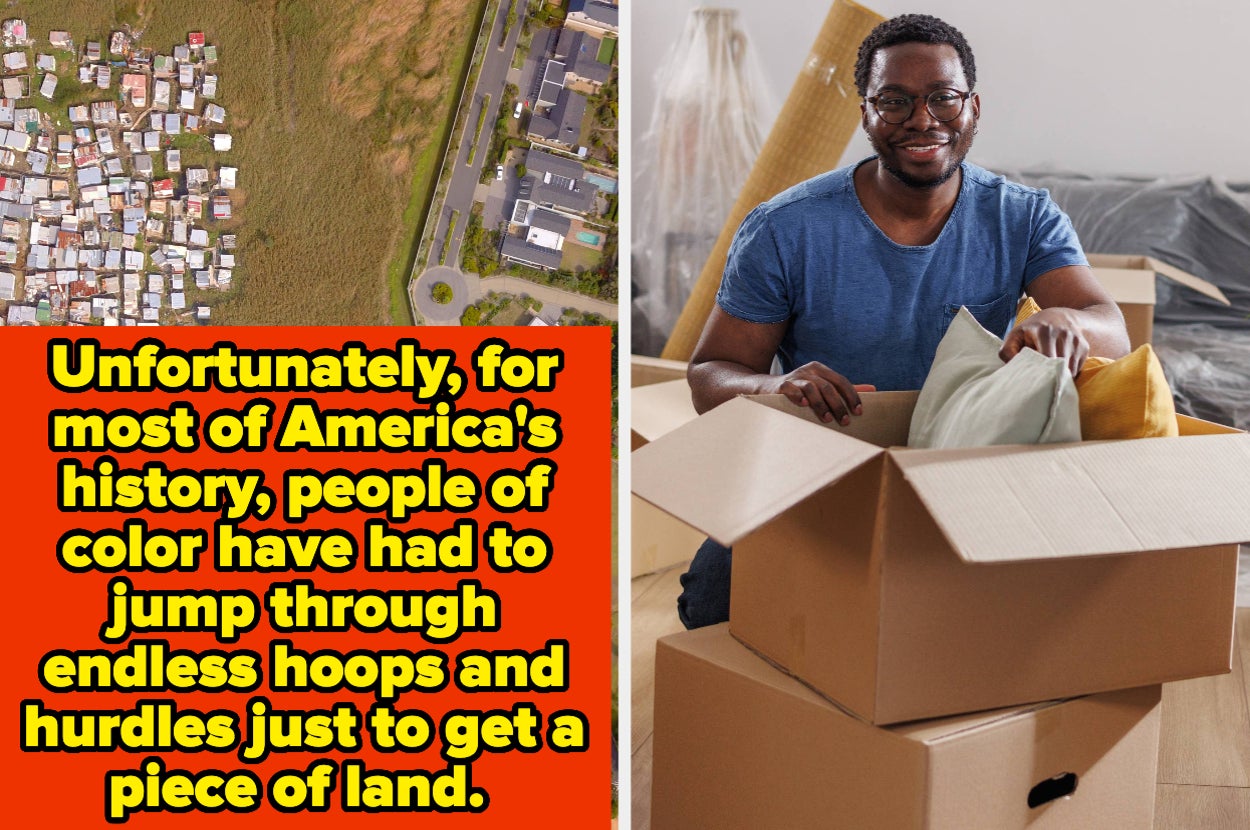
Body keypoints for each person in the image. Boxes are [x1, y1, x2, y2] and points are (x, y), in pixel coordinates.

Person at [676, 13, 1130, 630]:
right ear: (865, 112)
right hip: (818, 464)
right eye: (895, 101)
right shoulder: (785, 228)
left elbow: (1111, 326)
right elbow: (709, 376)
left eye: (943, 98)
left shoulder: (1022, 217)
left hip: (960, 462)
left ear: (973, 108)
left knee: (997, 620)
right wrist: (770, 386)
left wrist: (1065, 324)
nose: (922, 120)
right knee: (710, 604)